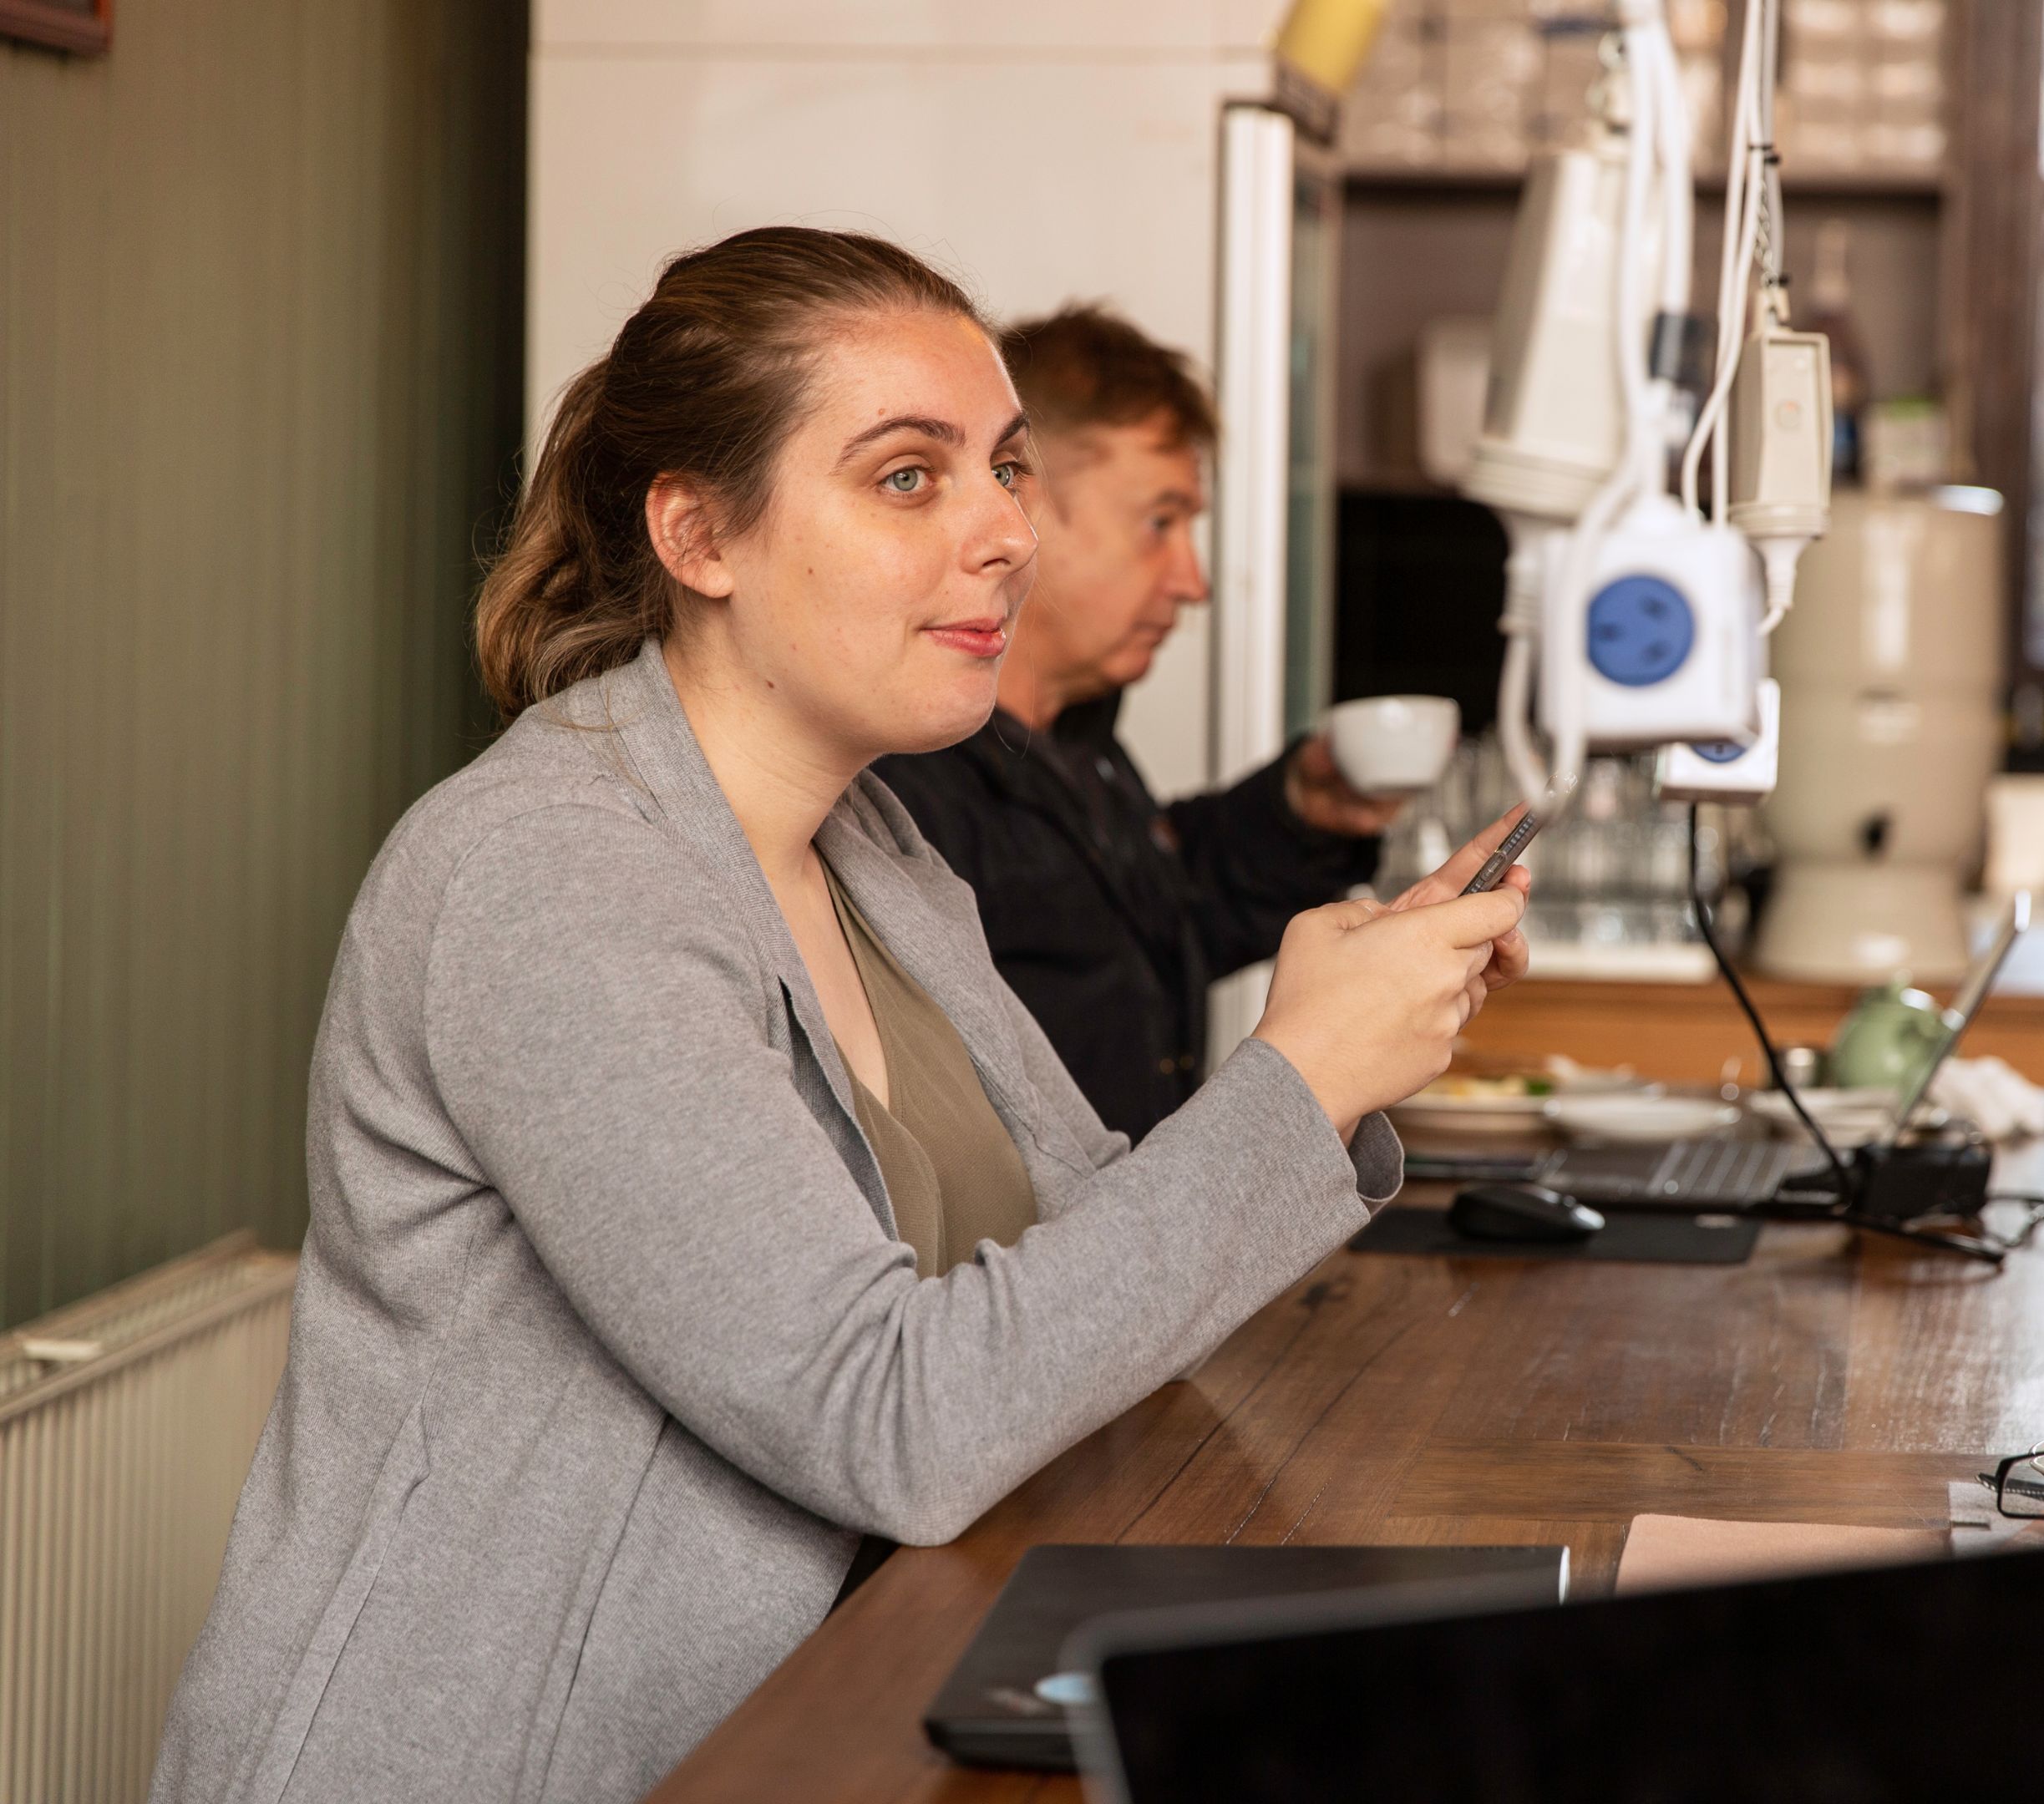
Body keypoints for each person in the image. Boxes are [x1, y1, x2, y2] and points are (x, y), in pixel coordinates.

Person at [150, 228, 1528, 1804]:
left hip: (806, 1737)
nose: (1005, 531)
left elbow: (1092, 1255)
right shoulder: (548, 877)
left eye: (1006, 469)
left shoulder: (873, 847)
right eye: (906, 478)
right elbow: (893, 1417)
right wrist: (1302, 1077)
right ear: (697, 534)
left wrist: (1332, 1055)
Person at [873, 306, 1400, 1141]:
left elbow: (1151, 932)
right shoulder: (896, 781)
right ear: (1021, 507)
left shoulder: (1081, 745)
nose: (1193, 581)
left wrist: (1298, 811)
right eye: (1161, 522)